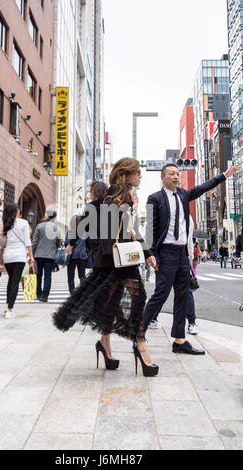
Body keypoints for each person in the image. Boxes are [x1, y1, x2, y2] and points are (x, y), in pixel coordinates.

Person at [53, 157, 158, 377]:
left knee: (116, 303)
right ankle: (140, 344)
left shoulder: (127, 198)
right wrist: (128, 209)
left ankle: (105, 344)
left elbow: (133, 230)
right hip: (113, 260)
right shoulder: (112, 195)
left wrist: (147, 253)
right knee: (132, 298)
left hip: (122, 259)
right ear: (126, 175)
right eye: (138, 172)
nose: (140, 176)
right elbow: (108, 230)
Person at [143, 162, 240, 355]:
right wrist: (149, 253)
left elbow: (204, 187)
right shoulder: (154, 198)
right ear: (162, 177)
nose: (177, 177)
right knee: (160, 295)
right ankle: (137, 334)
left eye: (178, 174)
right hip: (166, 253)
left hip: (182, 254)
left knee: (183, 296)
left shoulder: (184, 195)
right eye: (172, 174)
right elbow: (150, 228)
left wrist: (225, 175)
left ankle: (179, 340)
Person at [2, 203, 34, 319]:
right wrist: (31, 256)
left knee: (11, 280)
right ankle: (10, 309)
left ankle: (7, 306)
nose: (20, 211)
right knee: (15, 281)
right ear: (16, 211)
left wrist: (1, 258)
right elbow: (27, 241)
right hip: (19, 255)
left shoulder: (4, 223)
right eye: (18, 209)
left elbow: (2, 242)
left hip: (7, 256)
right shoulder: (24, 223)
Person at [32, 210, 61, 302]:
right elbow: (58, 243)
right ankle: (45, 296)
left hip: (38, 254)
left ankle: (38, 293)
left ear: (48, 216)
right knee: (48, 275)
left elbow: (34, 241)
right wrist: (54, 247)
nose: (44, 216)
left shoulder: (39, 226)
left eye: (45, 215)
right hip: (50, 255)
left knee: (38, 275)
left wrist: (31, 254)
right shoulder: (57, 228)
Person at [65, 216, 88, 293]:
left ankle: (72, 292)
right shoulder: (84, 232)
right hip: (82, 255)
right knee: (82, 275)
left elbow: (67, 243)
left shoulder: (70, 232)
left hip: (72, 255)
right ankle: (83, 292)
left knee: (70, 275)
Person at [187, 217, 199, 335]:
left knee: (187, 292)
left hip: (184, 258)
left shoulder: (188, 217)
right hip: (167, 256)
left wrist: (190, 256)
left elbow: (189, 239)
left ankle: (192, 322)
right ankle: (150, 319)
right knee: (162, 292)